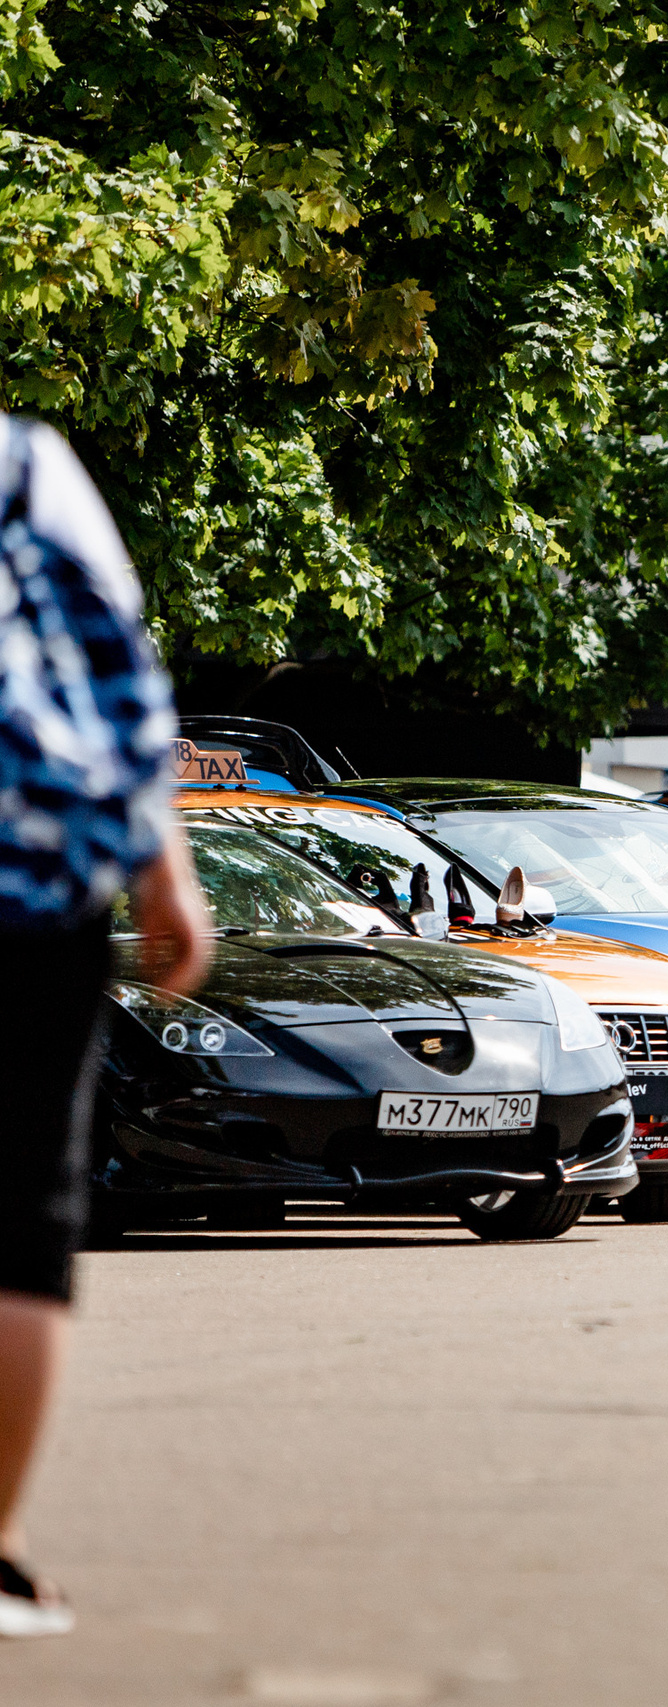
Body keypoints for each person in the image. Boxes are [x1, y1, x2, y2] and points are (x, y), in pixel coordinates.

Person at [0, 417, 213, 1639]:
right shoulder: (25, 465)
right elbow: (114, 666)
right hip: (26, 889)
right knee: (18, 1222)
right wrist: (162, 868)